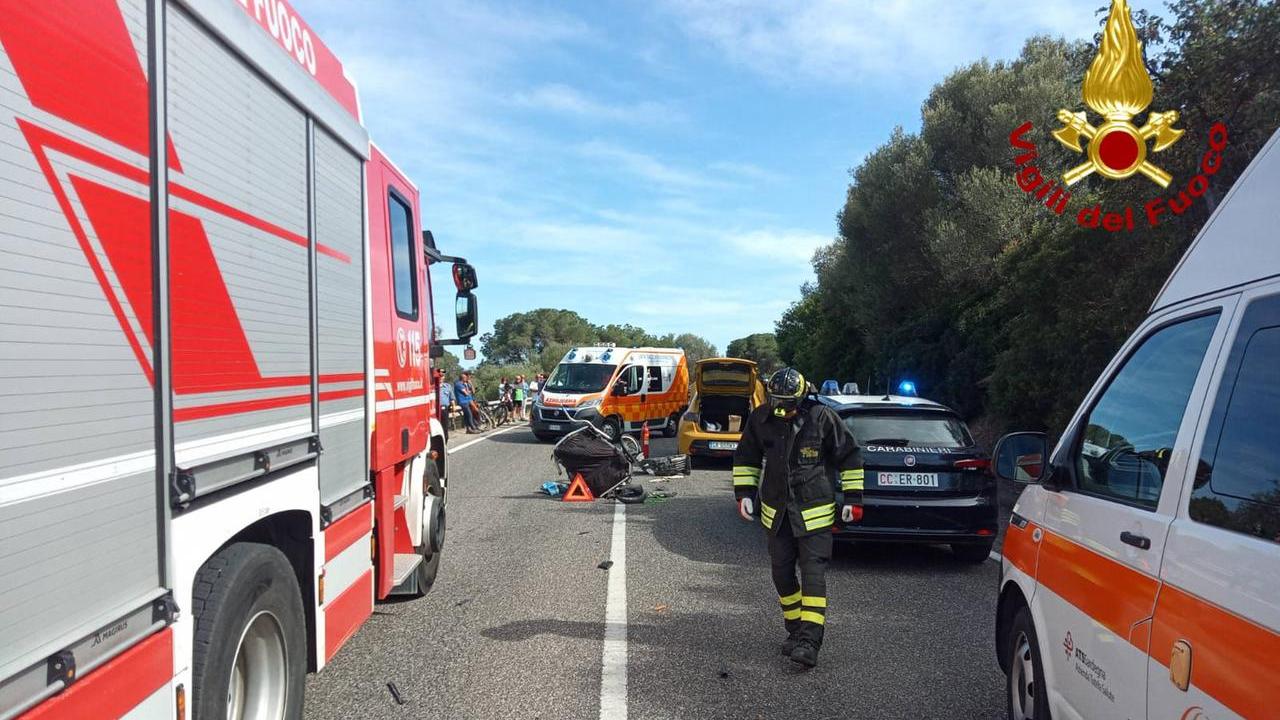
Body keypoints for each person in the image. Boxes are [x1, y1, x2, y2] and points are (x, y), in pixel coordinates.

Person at [732, 367, 864, 669]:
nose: (782, 408)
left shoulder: (822, 418)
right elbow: (747, 458)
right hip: (777, 514)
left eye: (788, 402)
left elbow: (850, 455)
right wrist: (744, 494)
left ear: (801, 397)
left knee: (813, 575)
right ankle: (794, 629)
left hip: (814, 512)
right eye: (777, 401)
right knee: (781, 574)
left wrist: (854, 498)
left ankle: (810, 642)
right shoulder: (761, 419)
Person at [437, 371, 454, 441]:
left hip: (445, 409)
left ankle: (445, 446)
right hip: (435, 410)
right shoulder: (432, 386)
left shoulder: (448, 386)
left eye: (442, 376)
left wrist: (454, 409)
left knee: (445, 428)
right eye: (439, 376)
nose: (441, 378)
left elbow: (452, 399)